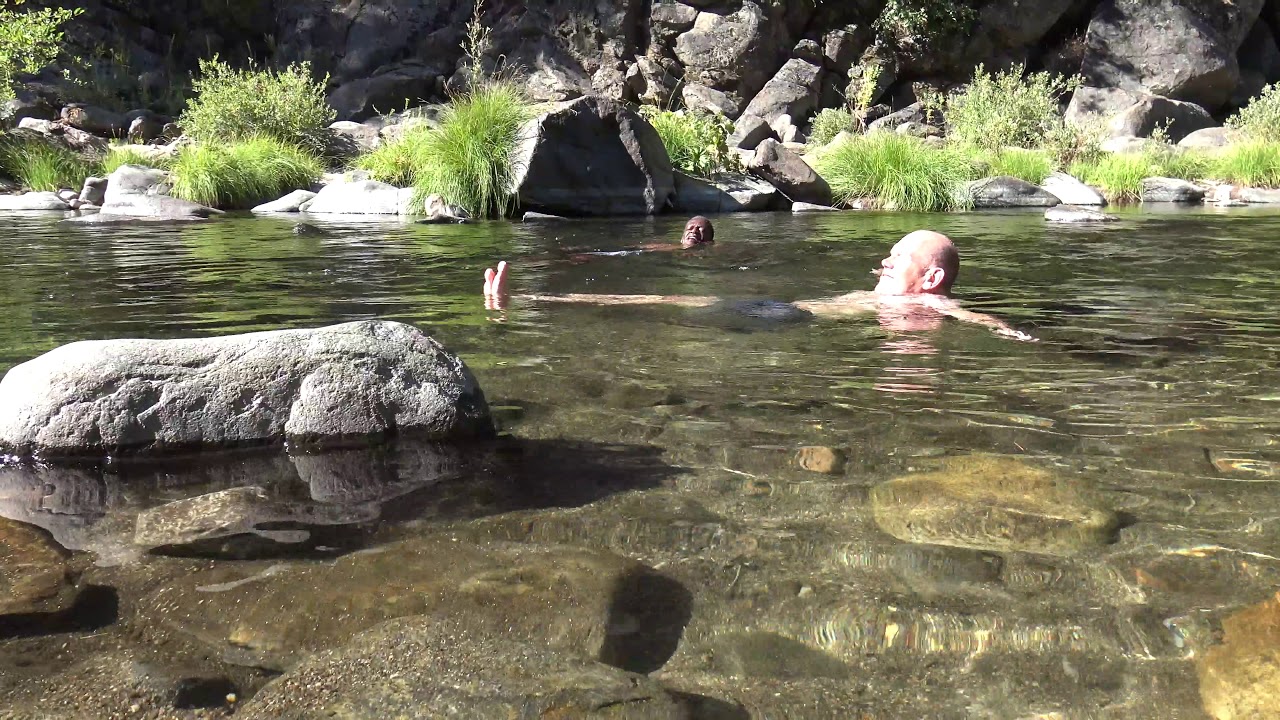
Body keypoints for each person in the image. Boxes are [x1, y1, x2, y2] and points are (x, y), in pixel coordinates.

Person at [482, 229, 1035, 341]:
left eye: (897, 259)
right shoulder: (881, 297)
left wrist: (1021, 337)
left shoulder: (936, 310)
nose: (883, 263)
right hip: (786, 312)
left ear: (931, 278)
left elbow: (974, 318)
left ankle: (536, 300)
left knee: (680, 303)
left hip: (787, 317)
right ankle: (535, 299)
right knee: (677, 300)